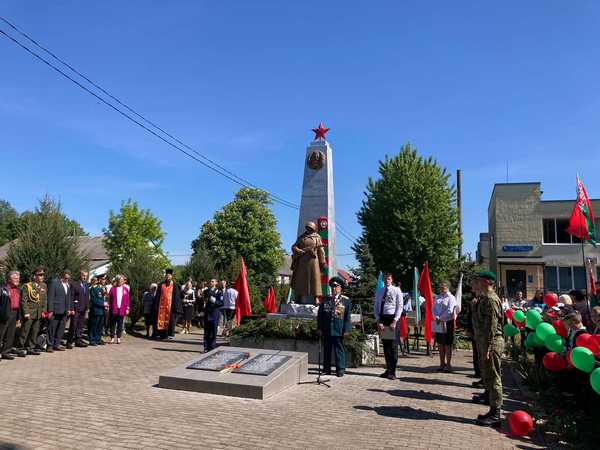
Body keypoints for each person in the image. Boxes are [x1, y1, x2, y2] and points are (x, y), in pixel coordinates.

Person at [472, 271, 504, 427]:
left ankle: (496, 413)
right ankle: (492, 409)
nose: (476, 283)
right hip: (485, 341)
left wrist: (489, 346)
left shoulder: (490, 299)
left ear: (486, 282)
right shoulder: (485, 298)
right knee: (489, 375)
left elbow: (492, 325)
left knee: (494, 377)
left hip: (491, 342)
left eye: (479, 280)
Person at [317, 276, 352, 377]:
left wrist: (346, 329)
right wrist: (319, 328)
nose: (334, 288)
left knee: (339, 350)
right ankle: (326, 369)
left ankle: (340, 369)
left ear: (340, 288)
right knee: (327, 350)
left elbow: (347, 317)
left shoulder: (345, 301)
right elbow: (320, 315)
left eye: (336, 286)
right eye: (332, 287)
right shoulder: (325, 300)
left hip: (339, 329)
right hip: (327, 329)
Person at [374, 272, 403, 380]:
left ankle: (393, 371)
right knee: (386, 346)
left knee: (393, 346)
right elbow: (376, 306)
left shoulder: (396, 290)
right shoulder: (380, 291)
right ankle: (388, 369)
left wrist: (395, 321)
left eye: (389, 279)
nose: (387, 281)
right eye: (385, 279)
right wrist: (378, 321)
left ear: (392, 280)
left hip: (393, 319)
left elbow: (400, 306)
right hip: (383, 319)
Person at [291, 221, 327, 304]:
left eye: (310, 228)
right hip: (302, 261)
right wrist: (298, 250)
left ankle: (316, 297)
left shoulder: (317, 237)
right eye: (307, 228)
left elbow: (321, 250)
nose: (309, 229)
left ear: (314, 228)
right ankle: (297, 297)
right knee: (300, 279)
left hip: (313, 261)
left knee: (315, 279)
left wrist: (322, 262)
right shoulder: (302, 237)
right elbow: (294, 246)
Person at [17, 267, 47, 356]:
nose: (42, 277)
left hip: (38, 312)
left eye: (43, 275)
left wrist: (44, 311)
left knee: (35, 331)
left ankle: (31, 347)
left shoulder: (44, 285)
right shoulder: (28, 286)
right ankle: (19, 348)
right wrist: (26, 312)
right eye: (40, 275)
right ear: (34, 276)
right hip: (29, 312)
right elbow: (23, 300)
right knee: (25, 331)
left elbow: (45, 300)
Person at [432, 281, 457, 372]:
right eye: (441, 287)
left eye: (444, 288)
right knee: (440, 344)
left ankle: (449, 364)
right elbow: (433, 308)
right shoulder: (438, 297)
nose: (442, 289)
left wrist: (441, 318)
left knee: (447, 344)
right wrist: (436, 317)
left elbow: (450, 310)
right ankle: (442, 363)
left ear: (448, 288)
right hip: (438, 322)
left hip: (447, 322)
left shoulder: (451, 298)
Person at [47, 270, 74, 352]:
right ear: (62, 276)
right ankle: (50, 345)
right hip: (55, 310)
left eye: (68, 278)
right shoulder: (54, 282)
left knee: (61, 329)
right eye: (65, 278)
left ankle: (57, 344)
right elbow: (50, 297)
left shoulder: (67, 285)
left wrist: (69, 309)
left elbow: (69, 298)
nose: (66, 280)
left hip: (64, 311)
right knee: (52, 328)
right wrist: (50, 310)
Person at [0, 271, 22, 360]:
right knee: (1, 334)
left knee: (10, 334)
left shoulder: (18, 289)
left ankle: (6, 352)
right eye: (15, 278)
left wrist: (19, 316)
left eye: (18, 278)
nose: (17, 280)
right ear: (9, 279)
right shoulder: (3, 288)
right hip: (5, 313)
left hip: (15, 312)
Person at [154, 269, 181, 340]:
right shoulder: (161, 284)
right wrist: (156, 305)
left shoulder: (174, 285)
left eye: (169, 275)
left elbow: (176, 296)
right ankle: (162, 335)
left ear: (171, 276)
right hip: (161, 307)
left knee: (170, 321)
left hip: (170, 307)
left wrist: (175, 306)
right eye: (167, 275)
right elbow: (158, 295)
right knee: (161, 320)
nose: (168, 276)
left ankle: (170, 335)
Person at [67, 270, 90, 349]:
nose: (85, 277)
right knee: (73, 325)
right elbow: (71, 297)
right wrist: (71, 308)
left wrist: (87, 307)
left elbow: (87, 297)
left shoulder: (86, 285)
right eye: (83, 275)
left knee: (80, 325)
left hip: (83, 308)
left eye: (86, 276)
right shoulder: (74, 284)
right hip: (76, 308)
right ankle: (69, 341)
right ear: (80, 275)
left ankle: (78, 340)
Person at [203, 278, 224, 352]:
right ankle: (206, 347)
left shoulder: (219, 292)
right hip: (207, 313)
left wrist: (214, 301)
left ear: (216, 283)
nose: (211, 282)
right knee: (206, 331)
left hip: (214, 313)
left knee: (213, 331)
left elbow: (221, 303)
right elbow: (204, 300)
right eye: (210, 281)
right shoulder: (206, 291)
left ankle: (212, 347)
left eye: (212, 281)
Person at [108, 275, 130, 344]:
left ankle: (118, 338)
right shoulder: (112, 289)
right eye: (119, 280)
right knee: (113, 324)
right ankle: (112, 338)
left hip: (122, 309)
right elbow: (109, 299)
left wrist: (127, 308)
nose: (121, 282)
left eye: (122, 280)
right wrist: (109, 307)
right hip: (114, 309)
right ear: (117, 281)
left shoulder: (125, 289)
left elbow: (127, 300)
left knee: (120, 324)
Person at [88, 277, 106, 346]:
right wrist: (103, 304)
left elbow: (103, 298)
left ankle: (98, 339)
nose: (96, 281)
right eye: (94, 280)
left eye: (96, 280)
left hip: (101, 310)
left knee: (100, 326)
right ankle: (92, 340)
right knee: (94, 326)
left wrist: (105, 304)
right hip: (95, 310)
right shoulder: (92, 289)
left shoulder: (100, 289)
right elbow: (93, 300)